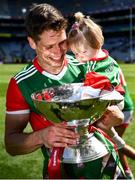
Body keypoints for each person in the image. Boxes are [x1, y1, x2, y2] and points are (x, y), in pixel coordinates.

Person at [5, 3, 126, 179]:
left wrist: (115, 116)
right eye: (49, 46)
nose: (58, 52)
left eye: (63, 42)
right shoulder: (21, 83)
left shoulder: (86, 63)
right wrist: (42, 136)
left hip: (105, 158)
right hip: (62, 169)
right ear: (32, 42)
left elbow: (112, 101)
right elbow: (11, 144)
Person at [68, 11, 134, 179]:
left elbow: (93, 92)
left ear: (97, 44)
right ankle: (118, 159)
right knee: (103, 131)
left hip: (113, 103)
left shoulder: (105, 65)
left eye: (82, 52)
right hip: (105, 103)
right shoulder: (89, 57)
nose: (79, 57)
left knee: (99, 128)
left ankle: (115, 161)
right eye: (75, 53)